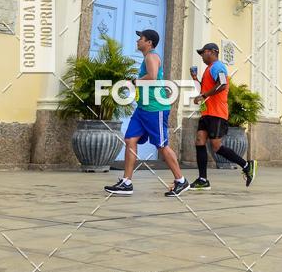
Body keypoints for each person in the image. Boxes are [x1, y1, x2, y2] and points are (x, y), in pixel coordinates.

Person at [104, 29, 189, 197]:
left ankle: (181, 180)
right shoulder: (147, 57)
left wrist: (134, 81)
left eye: (140, 38)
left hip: (155, 108)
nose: (137, 41)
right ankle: (126, 182)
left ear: (149, 42)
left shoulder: (151, 57)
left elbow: (152, 76)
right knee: (130, 139)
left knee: (161, 145)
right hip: (142, 109)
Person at [189, 43, 256, 190]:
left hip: (217, 113)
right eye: (200, 53)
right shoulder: (208, 69)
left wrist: (203, 95)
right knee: (199, 141)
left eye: (203, 52)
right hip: (207, 113)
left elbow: (223, 85)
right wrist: (195, 78)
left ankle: (246, 165)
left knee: (216, 147)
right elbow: (204, 89)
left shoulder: (218, 67)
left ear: (213, 52)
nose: (201, 55)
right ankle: (202, 179)